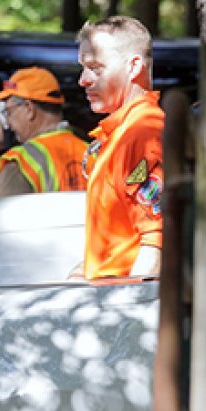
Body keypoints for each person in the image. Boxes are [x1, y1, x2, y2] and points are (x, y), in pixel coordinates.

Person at [75, 16, 164, 279]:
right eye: (83, 67)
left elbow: (155, 245)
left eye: (96, 67)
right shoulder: (118, 134)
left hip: (123, 305)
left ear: (134, 66)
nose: (83, 80)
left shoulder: (143, 132)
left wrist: (132, 310)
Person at [0, 67, 88, 197]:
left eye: (9, 112)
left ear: (29, 109)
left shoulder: (21, 162)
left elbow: (1, 214)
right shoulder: (93, 153)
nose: (8, 123)